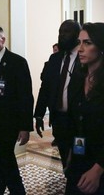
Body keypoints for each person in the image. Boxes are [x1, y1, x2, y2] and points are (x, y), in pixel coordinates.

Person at [0, 25, 34, 195]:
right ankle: (7, 190)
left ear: (3, 40)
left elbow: (26, 96)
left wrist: (25, 126)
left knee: (3, 156)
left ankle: (7, 191)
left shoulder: (17, 62)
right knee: (3, 159)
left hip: (9, 123)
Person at [34, 19, 81, 170]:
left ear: (77, 35)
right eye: (60, 32)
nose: (62, 35)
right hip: (59, 120)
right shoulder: (54, 59)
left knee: (79, 156)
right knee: (64, 155)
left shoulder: (84, 58)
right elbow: (45, 88)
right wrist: (39, 114)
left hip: (79, 123)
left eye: (66, 32)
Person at [65, 22, 104, 194]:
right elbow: (75, 120)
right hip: (79, 158)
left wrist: (98, 168)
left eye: (87, 43)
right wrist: (70, 154)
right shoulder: (78, 79)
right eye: (79, 42)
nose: (80, 48)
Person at [39, 43, 59, 147]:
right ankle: (56, 136)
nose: (55, 52)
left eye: (56, 50)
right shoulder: (48, 63)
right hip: (51, 96)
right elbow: (43, 77)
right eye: (54, 50)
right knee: (53, 117)